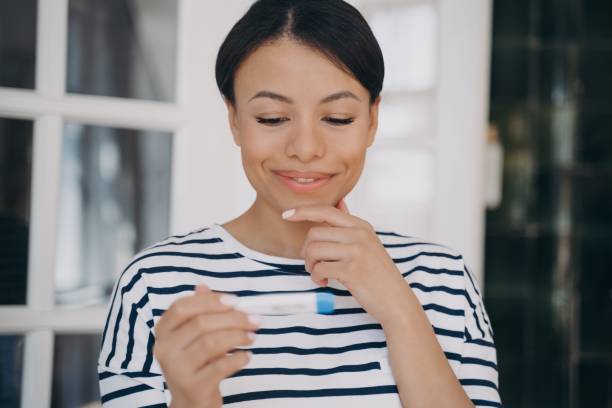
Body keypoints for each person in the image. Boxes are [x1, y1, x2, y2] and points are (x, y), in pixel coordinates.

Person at [97, 0, 502, 407]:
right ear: (235, 120)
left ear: (372, 121)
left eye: (338, 118)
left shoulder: (444, 281)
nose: (306, 149)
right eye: (272, 118)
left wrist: (400, 311)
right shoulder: (154, 285)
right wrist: (191, 397)